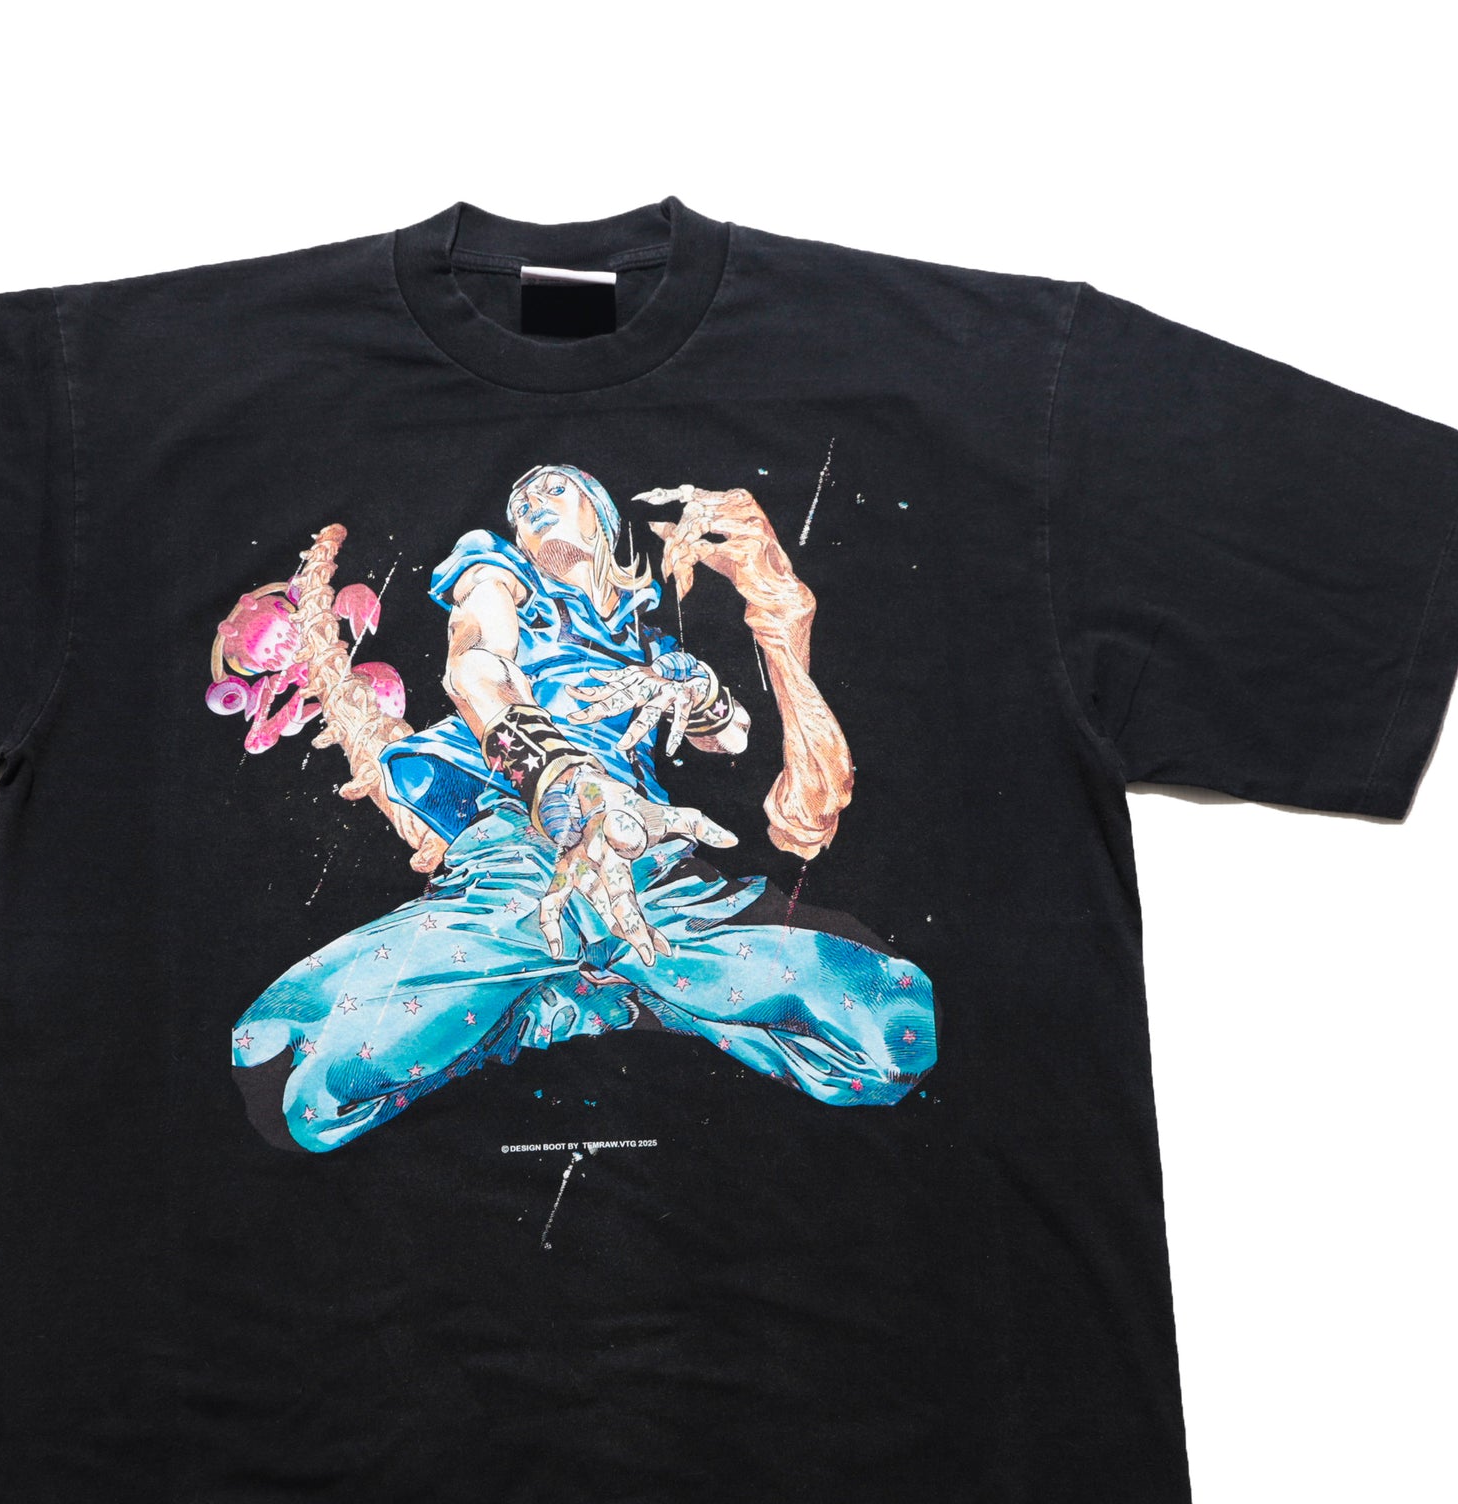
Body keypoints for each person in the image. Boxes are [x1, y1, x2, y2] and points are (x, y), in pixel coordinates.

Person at [231, 465, 937, 1150]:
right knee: (302, 1082)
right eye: (521, 503)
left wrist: (695, 687)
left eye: (554, 488)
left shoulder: (647, 642)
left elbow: (732, 737)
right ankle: (555, 1000)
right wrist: (565, 784)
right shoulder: (498, 576)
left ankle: (584, 991)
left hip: (646, 860)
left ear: (600, 514)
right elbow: (475, 667)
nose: (532, 501)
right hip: (524, 846)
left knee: (891, 1032)